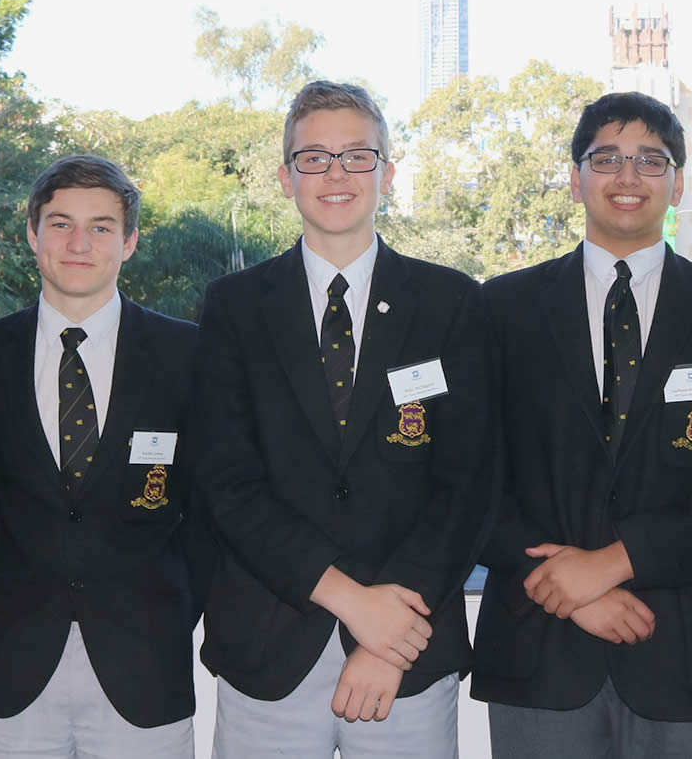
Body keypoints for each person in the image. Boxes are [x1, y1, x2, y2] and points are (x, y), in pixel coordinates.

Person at [470, 90, 692, 757]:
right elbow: (471, 482)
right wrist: (569, 592)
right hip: (539, 652)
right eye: (606, 157)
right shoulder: (500, 311)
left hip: (686, 656)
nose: (627, 177)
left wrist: (616, 563)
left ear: (678, 183)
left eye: (651, 160)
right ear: (574, 176)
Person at [196, 80, 492, 757]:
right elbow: (227, 482)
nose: (336, 174)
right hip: (268, 649)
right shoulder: (234, 308)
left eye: (357, 156)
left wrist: (386, 637)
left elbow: (468, 485)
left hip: (408, 657)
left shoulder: (451, 304)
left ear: (387, 173)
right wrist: (351, 602)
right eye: (314, 158)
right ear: (285, 176)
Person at [0, 155, 209, 757]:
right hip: (13, 663)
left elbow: (211, 504)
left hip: (147, 664)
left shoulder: (188, 355)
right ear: (33, 234)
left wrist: (178, 611)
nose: (78, 243)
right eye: (61, 223)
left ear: (130, 241)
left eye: (101, 227)